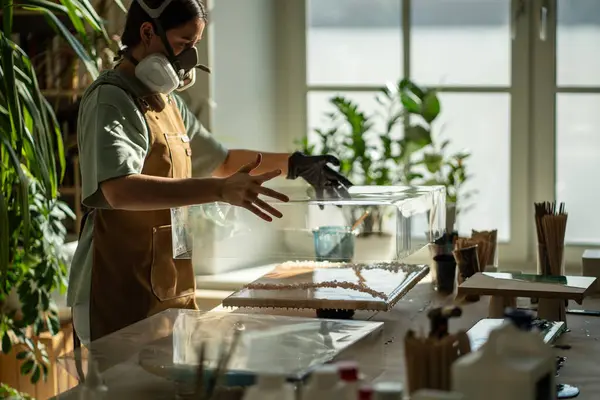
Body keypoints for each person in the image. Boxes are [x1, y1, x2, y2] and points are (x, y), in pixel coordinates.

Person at [66, 0, 352, 345]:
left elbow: (223, 160)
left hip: (168, 287)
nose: (189, 59)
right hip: (118, 289)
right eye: (185, 44)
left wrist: (296, 164)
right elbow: (118, 189)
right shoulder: (112, 98)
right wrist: (218, 191)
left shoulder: (165, 100)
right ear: (147, 32)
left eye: (195, 47)